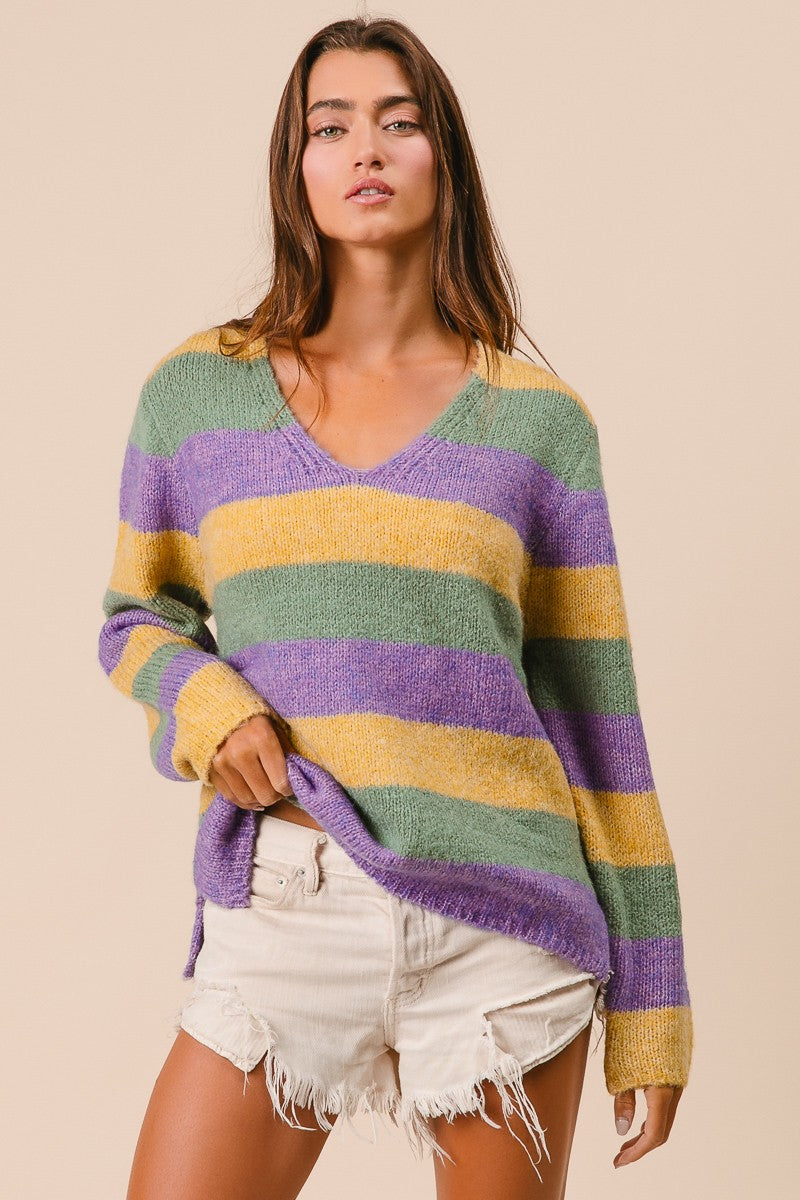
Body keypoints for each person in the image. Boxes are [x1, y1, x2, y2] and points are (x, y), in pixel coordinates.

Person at [98, 15, 693, 1200]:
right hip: (290, 898)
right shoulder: (195, 396)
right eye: (330, 126)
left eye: (397, 121)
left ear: (442, 159)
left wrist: (654, 1007)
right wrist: (209, 705)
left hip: (504, 921)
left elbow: (596, 726)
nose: (364, 147)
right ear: (297, 167)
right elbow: (135, 618)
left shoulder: (538, 425)